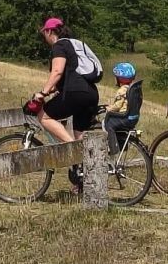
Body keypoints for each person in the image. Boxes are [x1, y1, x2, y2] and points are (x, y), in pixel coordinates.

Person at [28, 18, 100, 184]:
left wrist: (43, 93)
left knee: (44, 116)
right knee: (80, 133)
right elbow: (65, 77)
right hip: (90, 93)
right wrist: (50, 90)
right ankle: (83, 179)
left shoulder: (59, 46)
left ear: (49, 31)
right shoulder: (73, 44)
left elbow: (57, 71)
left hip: (76, 92)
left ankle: (74, 149)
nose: (44, 36)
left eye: (44, 33)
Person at [103, 62, 142, 159]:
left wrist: (109, 108)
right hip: (133, 118)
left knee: (107, 123)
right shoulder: (132, 89)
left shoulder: (121, 90)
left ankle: (112, 147)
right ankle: (120, 144)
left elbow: (117, 106)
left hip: (124, 117)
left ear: (120, 78)